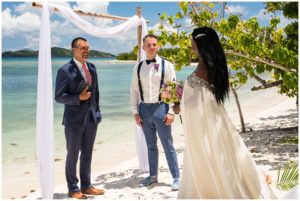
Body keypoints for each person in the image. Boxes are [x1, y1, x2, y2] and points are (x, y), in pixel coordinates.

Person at [177, 27, 277, 199]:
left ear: (200, 44)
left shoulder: (202, 68)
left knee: (208, 159)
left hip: (204, 128)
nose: (191, 47)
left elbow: (196, 104)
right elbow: (202, 100)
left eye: (192, 43)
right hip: (214, 123)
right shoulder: (214, 67)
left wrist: (177, 104)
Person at [55, 37, 104, 199]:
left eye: (88, 48)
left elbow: (95, 93)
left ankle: (87, 185)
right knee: (73, 155)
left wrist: (97, 111)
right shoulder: (64, 70)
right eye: (82, 48)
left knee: (88, 153)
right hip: (73, 120)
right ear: (74, 50)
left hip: (91, 118)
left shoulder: (92, 67)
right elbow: (59, 96)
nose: (86, 51)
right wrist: (78, 98)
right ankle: (73, 189)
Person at [130, 34, 180, 191]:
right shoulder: (137, 67)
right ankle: (152, 176)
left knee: (168, 145)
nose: (152, 47)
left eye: (154, 44)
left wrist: (171, 111)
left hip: (161, 108)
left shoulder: (167, 65)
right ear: (143, 48)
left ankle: (176, 178)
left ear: (158, 46)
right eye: (148, 45)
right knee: (150, 145)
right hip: (144, 109)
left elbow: (173, 89)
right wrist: (135, 112)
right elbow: (134, 91)